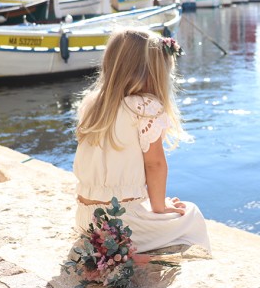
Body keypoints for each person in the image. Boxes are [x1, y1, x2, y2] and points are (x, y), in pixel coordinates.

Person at [73, 27, 211, 255]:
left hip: (87, 221)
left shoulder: (91, 103)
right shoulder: (145, 108)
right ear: (153, 71)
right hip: (123, 226)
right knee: (191, 214)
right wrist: (159, 206)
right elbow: (154, 164)